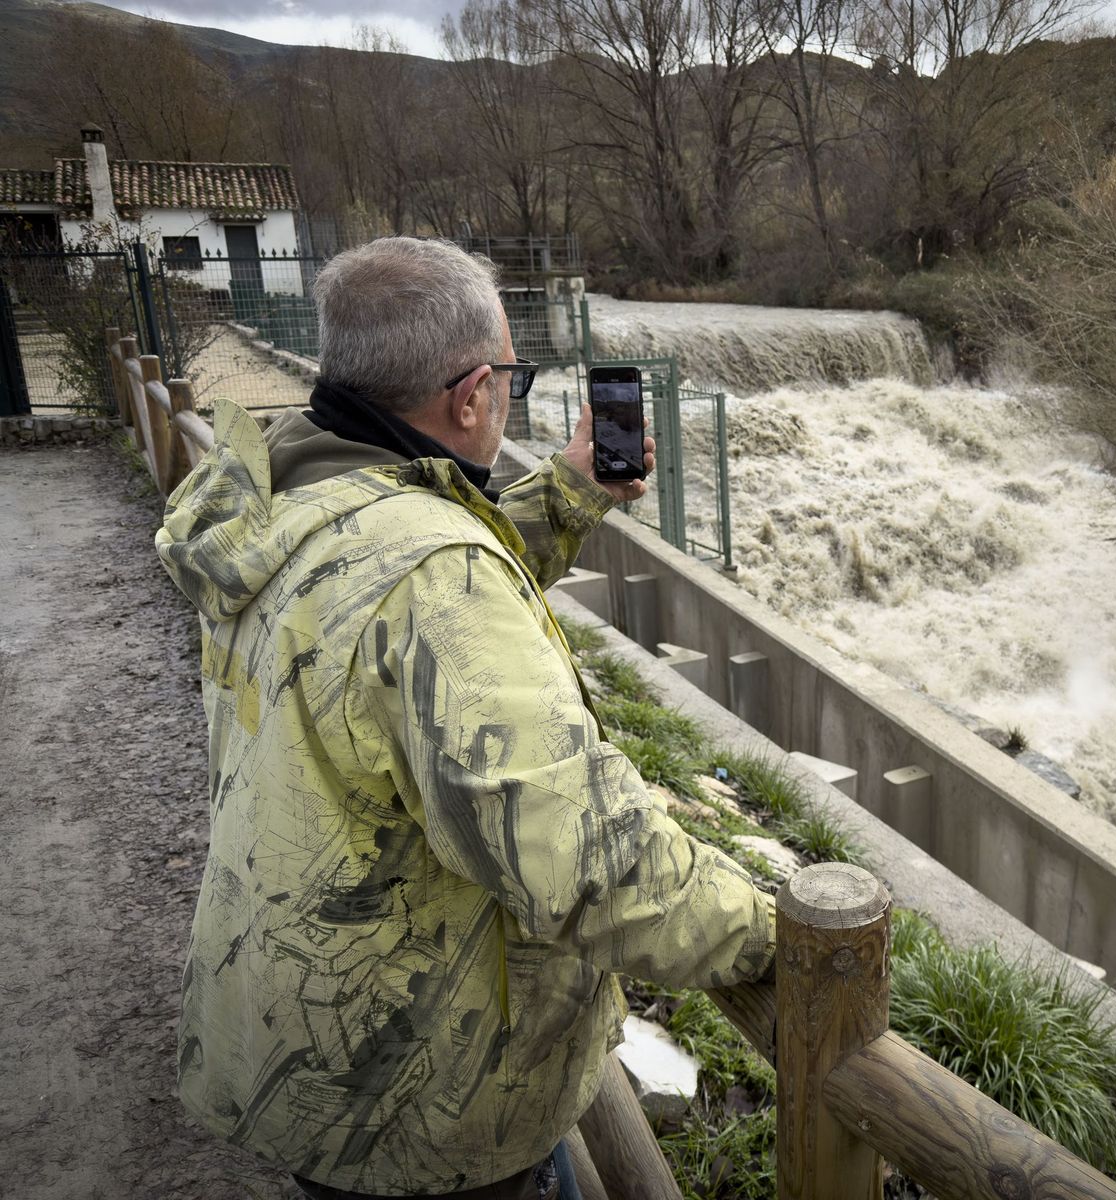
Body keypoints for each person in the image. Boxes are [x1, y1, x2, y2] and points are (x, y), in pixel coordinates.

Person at [155, 237, 776, 1198]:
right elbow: (586, 857)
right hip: (415, 1098)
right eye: (512, 384)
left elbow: (391, 591)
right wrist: (780, 935)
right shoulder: (435, 582)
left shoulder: (288, 492)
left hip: (310, 1040)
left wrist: (569, 493)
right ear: (474, 395)